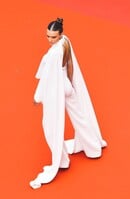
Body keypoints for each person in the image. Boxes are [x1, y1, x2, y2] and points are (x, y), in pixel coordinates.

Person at [30, 18, 107, 189]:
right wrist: (72, 84)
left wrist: (38, 97)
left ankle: (62, 160)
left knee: (50, 125)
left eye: (53, 37)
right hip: (66, 85)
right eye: (48, 36)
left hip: (58, 87)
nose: (50, 40)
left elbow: (46, 79)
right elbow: (70, 64)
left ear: (60, 34)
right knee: (79, 116)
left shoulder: (54, 54)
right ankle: (93, 147)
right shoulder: (66, 41)